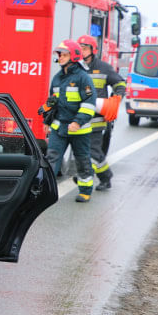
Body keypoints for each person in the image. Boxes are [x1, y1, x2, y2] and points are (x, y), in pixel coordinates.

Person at [40, 40, 97, 202]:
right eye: (60, 55)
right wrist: (47, 121)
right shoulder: (57, 78)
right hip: (59, 128)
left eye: (64, 55)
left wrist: (77, 122)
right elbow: (52, 102)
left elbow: (88, 104)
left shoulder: (83, 78)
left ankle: (85, 190)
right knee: (51, 158)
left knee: (82, 159)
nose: (61, 58)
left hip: (79, 129)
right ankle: (46, 191)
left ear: (74, 56)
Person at [77, 34, 127, 190]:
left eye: (85, 49)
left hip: (97, 118)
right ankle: (99, 175)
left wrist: (116, 98)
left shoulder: (104, 68)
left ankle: (92, 176)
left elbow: (120, 83)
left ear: (93, 50)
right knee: (87, 151)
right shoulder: (75, 68)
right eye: (80, 49)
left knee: (93, 151)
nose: (82, 52)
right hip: (79, 118)